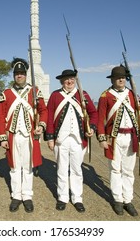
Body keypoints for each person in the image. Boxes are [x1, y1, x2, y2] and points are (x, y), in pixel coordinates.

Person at [97, 65, 140, 216]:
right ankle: (118, 200)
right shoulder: (105, 96)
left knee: (128, 171)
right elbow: (100, 119)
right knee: (115, 169)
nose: (121, 79)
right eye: (118, 77)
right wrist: (101, 138)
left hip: (132, 137)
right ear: (113, 79)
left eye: (123, 77)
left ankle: (128, 200)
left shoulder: (133, 95)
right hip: (113, 138)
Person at [0, 57, 47, 213]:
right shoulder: (6, 93)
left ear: (26, 75)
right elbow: (0, 116)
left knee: (27, 167)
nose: (19, 76)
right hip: (12, 136)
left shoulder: (35, 91)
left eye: (22, 73)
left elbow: (43, 111)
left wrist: (41, 125)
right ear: (14, 75)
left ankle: (27, 196)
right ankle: (16, 196)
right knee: (14, 167)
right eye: (16, 73)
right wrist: (2, 137)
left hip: (29, 136)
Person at [45, 69, 98, 213]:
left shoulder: (83, 94)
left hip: (78, 139)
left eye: (72, 79)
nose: (69, 82)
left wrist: (92, 127)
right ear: (62, 81)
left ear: (75, 81)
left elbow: (94, 113)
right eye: (67, 79)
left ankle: (77, 198)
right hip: (60, 139)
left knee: (76, 170)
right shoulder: (55, 95)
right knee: (61, 170)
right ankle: (62, 197)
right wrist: (50, 138)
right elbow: (49, 117)